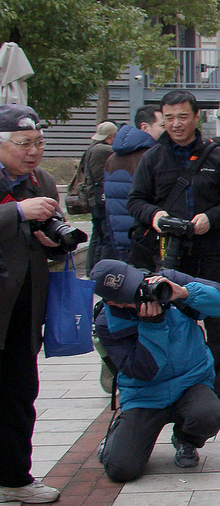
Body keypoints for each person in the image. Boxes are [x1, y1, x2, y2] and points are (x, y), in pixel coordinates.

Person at [128, 90, 220, 417]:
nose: (176, 124)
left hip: (210, 249)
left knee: (218, 319)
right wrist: (156, 218)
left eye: (182, 117)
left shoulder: (217, 157)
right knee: (171, 320)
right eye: (169, 118)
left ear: (196, 117)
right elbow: (135, 201)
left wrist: (210, 219)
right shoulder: (153, 157)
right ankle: (177, 389)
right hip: (168, 254)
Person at [91, 260, 220, 481]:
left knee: (208, 415)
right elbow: (144, 370)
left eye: (138, 284)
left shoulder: (166, 281)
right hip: (145, 395)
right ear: (113, 303)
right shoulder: (107, 323)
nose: (141, 293)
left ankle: (186, 440)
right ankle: (117, 435)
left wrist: (184, 293)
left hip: (190, 383)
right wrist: (153, 326)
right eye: (131, 295)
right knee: (121, 469)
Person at [0, 104, 64, 504]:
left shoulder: (41, 180)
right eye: (24, 144)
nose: (33, 151)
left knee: (20, 394)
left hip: (24, 307)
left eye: (39, 143)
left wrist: (55, 241)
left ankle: (14, 478)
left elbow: (54, 244)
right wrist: (16, 211)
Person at [104, 105, 165, 262]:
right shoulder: (152, 157)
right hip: (146, 238)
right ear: (145, 127)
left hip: (120, 238)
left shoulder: (113, 157)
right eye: (163, 125)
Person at [84, 121, 118, 272]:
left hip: (92, 197)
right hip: (101, 198)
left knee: (96, 236)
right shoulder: (105, 150)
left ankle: (90, 268)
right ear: (112, 136)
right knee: (106, 237)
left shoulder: (91, 149)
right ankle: (101, 270)